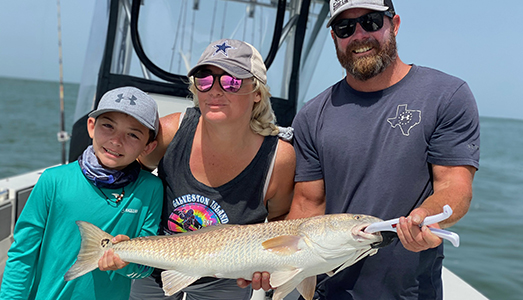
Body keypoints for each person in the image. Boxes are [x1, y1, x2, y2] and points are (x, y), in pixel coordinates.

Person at [286, 0, 480, 299]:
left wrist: (428, 216)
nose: (359, 34)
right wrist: (270, 260)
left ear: (395, 24)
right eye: (345, 27)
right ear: (335, 37)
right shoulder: (312, 115)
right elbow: (307, 206)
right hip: (326, 291)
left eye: (372, 21)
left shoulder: (446, 96)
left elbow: (455, 184)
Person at [128, 39, 295, 300]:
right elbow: (128, 178)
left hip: (225, 281)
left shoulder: (278, 158)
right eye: (204, 80)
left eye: (232, 81)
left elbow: (280, 219)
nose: (215, 91)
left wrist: (270, 261)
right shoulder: (171, 131)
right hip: (156, 271)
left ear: (257, 93)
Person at [0, 86, 164, 300]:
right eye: (108, 126)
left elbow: (144, 269)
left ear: (148, 147)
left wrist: (125, 263)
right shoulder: (54, 180)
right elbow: (23, 254)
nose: (116, 141)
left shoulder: (151, 189)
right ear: (91, 126)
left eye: (133, 134)